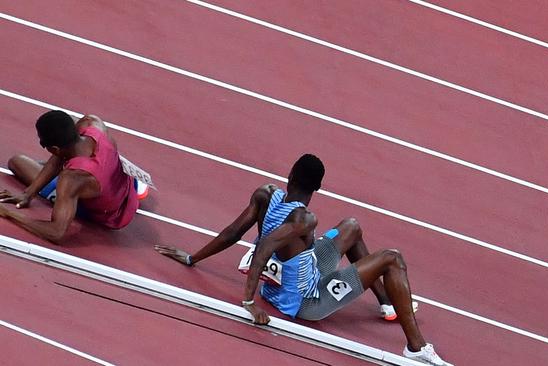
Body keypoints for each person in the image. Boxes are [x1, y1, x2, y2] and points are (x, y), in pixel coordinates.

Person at [155, 154, 451, 365]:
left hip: (297, 272)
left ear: (290, 176)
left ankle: (387, 302)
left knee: (351, 226)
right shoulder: (304, 219)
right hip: (306, 301)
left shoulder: (266, 194)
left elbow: (233, 232)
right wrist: (248, 304)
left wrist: (193, 257)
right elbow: (263, 250)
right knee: (392, 259)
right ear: (318, 188)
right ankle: (416, 348)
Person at [0, 110, 148, 243]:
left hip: (110, 215)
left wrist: (9, 213)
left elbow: (56, 232)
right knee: (65, 156)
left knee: (17, 162)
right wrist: (28, 194)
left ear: (54, 149)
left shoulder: (70, 180)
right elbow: (62, 152)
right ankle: (136, 187)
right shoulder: (92, 122)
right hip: (125, 183)